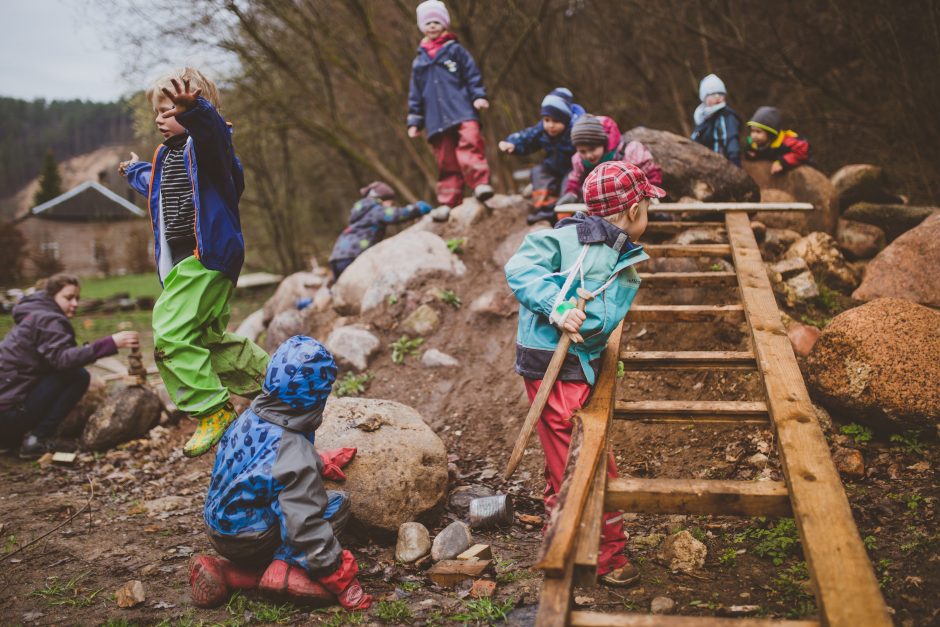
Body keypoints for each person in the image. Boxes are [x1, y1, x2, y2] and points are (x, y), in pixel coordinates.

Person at [505, 161, 662, 586]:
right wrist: (556, 305)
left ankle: (562, 527)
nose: (649, 213)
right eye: (647, 205)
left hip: (578, 361)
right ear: (632, 210)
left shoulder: (611, 248)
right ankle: (603, 554)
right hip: (553, 365)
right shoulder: (566, 239)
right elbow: (519, 269)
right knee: (587, 460)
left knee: (569, 452)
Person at [120, 67, 269, 458]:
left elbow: (213, 136)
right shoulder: (169, 157)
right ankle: (272, 380)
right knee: (204, 340)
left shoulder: (212, 148)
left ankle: (212, 410)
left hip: (206, 257)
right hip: (186, 263)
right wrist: (133, 171)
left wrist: (197, 112)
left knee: (168, 332)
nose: (160, 118)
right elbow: (157, 187)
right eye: (159, 112)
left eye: (170, 110)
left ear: (200, 108)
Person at [189, 335, 371, 611]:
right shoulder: (293, 453)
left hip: (218, 525)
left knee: (284, 501)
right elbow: (305, 524)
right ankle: (284, 569)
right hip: (248, 539)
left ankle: (227, 571)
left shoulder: (249, 417)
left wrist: (314, 460)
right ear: (318, 396)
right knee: (336, 505)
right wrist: (340, 578)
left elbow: (258, 467)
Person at [0, 274, 139, 458]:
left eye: (77, 299)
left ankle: (20, 438)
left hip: (5, 418)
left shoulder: (34, 315)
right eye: (68, 298)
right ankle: (36, 439)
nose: (74, 303)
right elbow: (63, 359)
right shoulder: (49, 319)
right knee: (77, 376)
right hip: (8, 418)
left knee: (66, 373)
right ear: (51, 296)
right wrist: (110, 343)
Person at [407, 0, 495, 207]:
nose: (432, 26)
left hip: (462, 109)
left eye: (437, 21)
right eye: (428, 23)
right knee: (446, 161)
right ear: (422, 27)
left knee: (471, 143)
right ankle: (449, 202)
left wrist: (478, 96)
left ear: (445, 24)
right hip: (435, 118)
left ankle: (480, 184)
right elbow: (415, 93)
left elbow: (472, 75)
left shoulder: (455, 51)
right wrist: (415, 121)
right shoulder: (419, 61)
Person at [328, 181, 435, 282]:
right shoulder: (375, 210)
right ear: (380, 199)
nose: (392, 206)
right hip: (353, 254)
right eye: (390, 203)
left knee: (345, 286)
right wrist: (415, 209)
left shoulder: (361, 213)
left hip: (337, 256)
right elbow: (395, 215)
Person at [499, 90, 577, 224]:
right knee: (538, 172)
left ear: (565, 119)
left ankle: (565, 215)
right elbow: (528, 137)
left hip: (573, 168)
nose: (550, 125)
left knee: (569, 182)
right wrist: (512, 143)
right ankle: (545, 210)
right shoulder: (543, 130)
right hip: (552, 166)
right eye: (547, 120)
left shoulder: (576, 129)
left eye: (556, 121)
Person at [557, 115, 663, 208]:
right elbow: (574, 179)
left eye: (592, 149)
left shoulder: (628, 151)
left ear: (603, 143)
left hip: (633, 199)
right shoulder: (578, 160)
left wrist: (650, 192)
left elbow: (651, 171)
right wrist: (571, 193)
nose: (588, 155)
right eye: (582, 151)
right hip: (601, 204)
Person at [690, 73, 742, 166]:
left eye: (720, 94)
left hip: (723, 161)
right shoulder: (704, 118)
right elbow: (696, 139)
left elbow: (732, 138)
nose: (717, 97)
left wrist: (734, 159)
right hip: (705, 162)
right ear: (704, 98)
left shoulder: (727, 116)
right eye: (713, 94)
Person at [745, 106, 811, 174]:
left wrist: (783, 161)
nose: (753, 136)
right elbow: (751, 147)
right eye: (752, 131)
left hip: (805, 171)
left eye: (758, 132)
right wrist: (752, 153)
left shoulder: (786, 141)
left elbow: (803, 151)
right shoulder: (754, 142)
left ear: (770, 133)